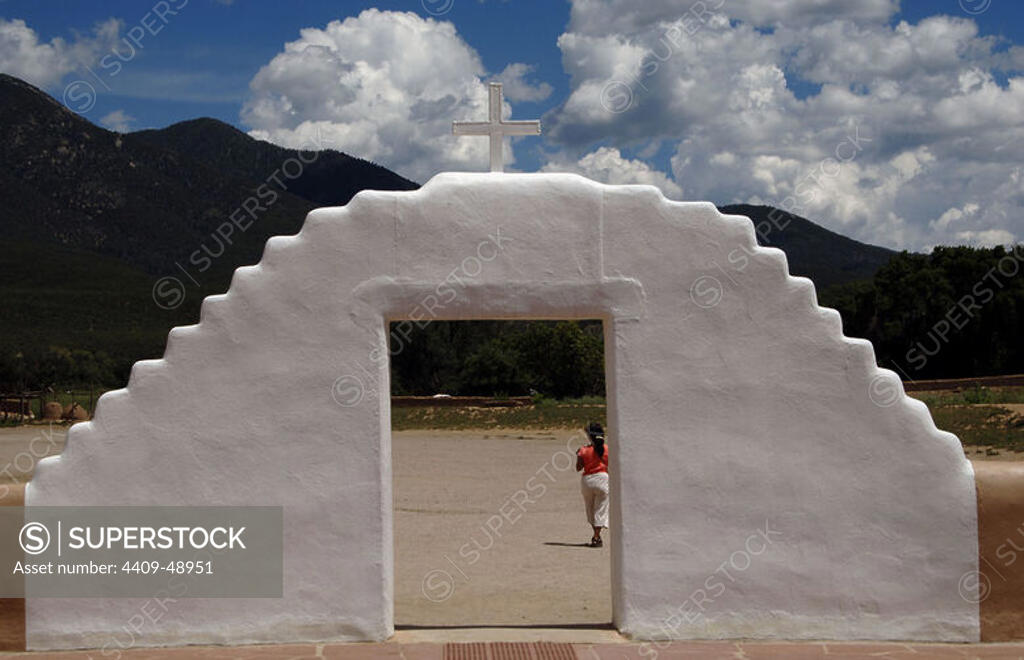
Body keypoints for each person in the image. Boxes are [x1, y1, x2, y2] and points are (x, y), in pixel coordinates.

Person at [576, 422, 609, 548]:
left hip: (588, 480)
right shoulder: (606, 449)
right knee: (600, 509)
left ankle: (596, 535)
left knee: (590, 508)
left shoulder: (583, 450)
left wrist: (578, 455)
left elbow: (578, 468)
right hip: (602, 479)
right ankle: (596, 535)